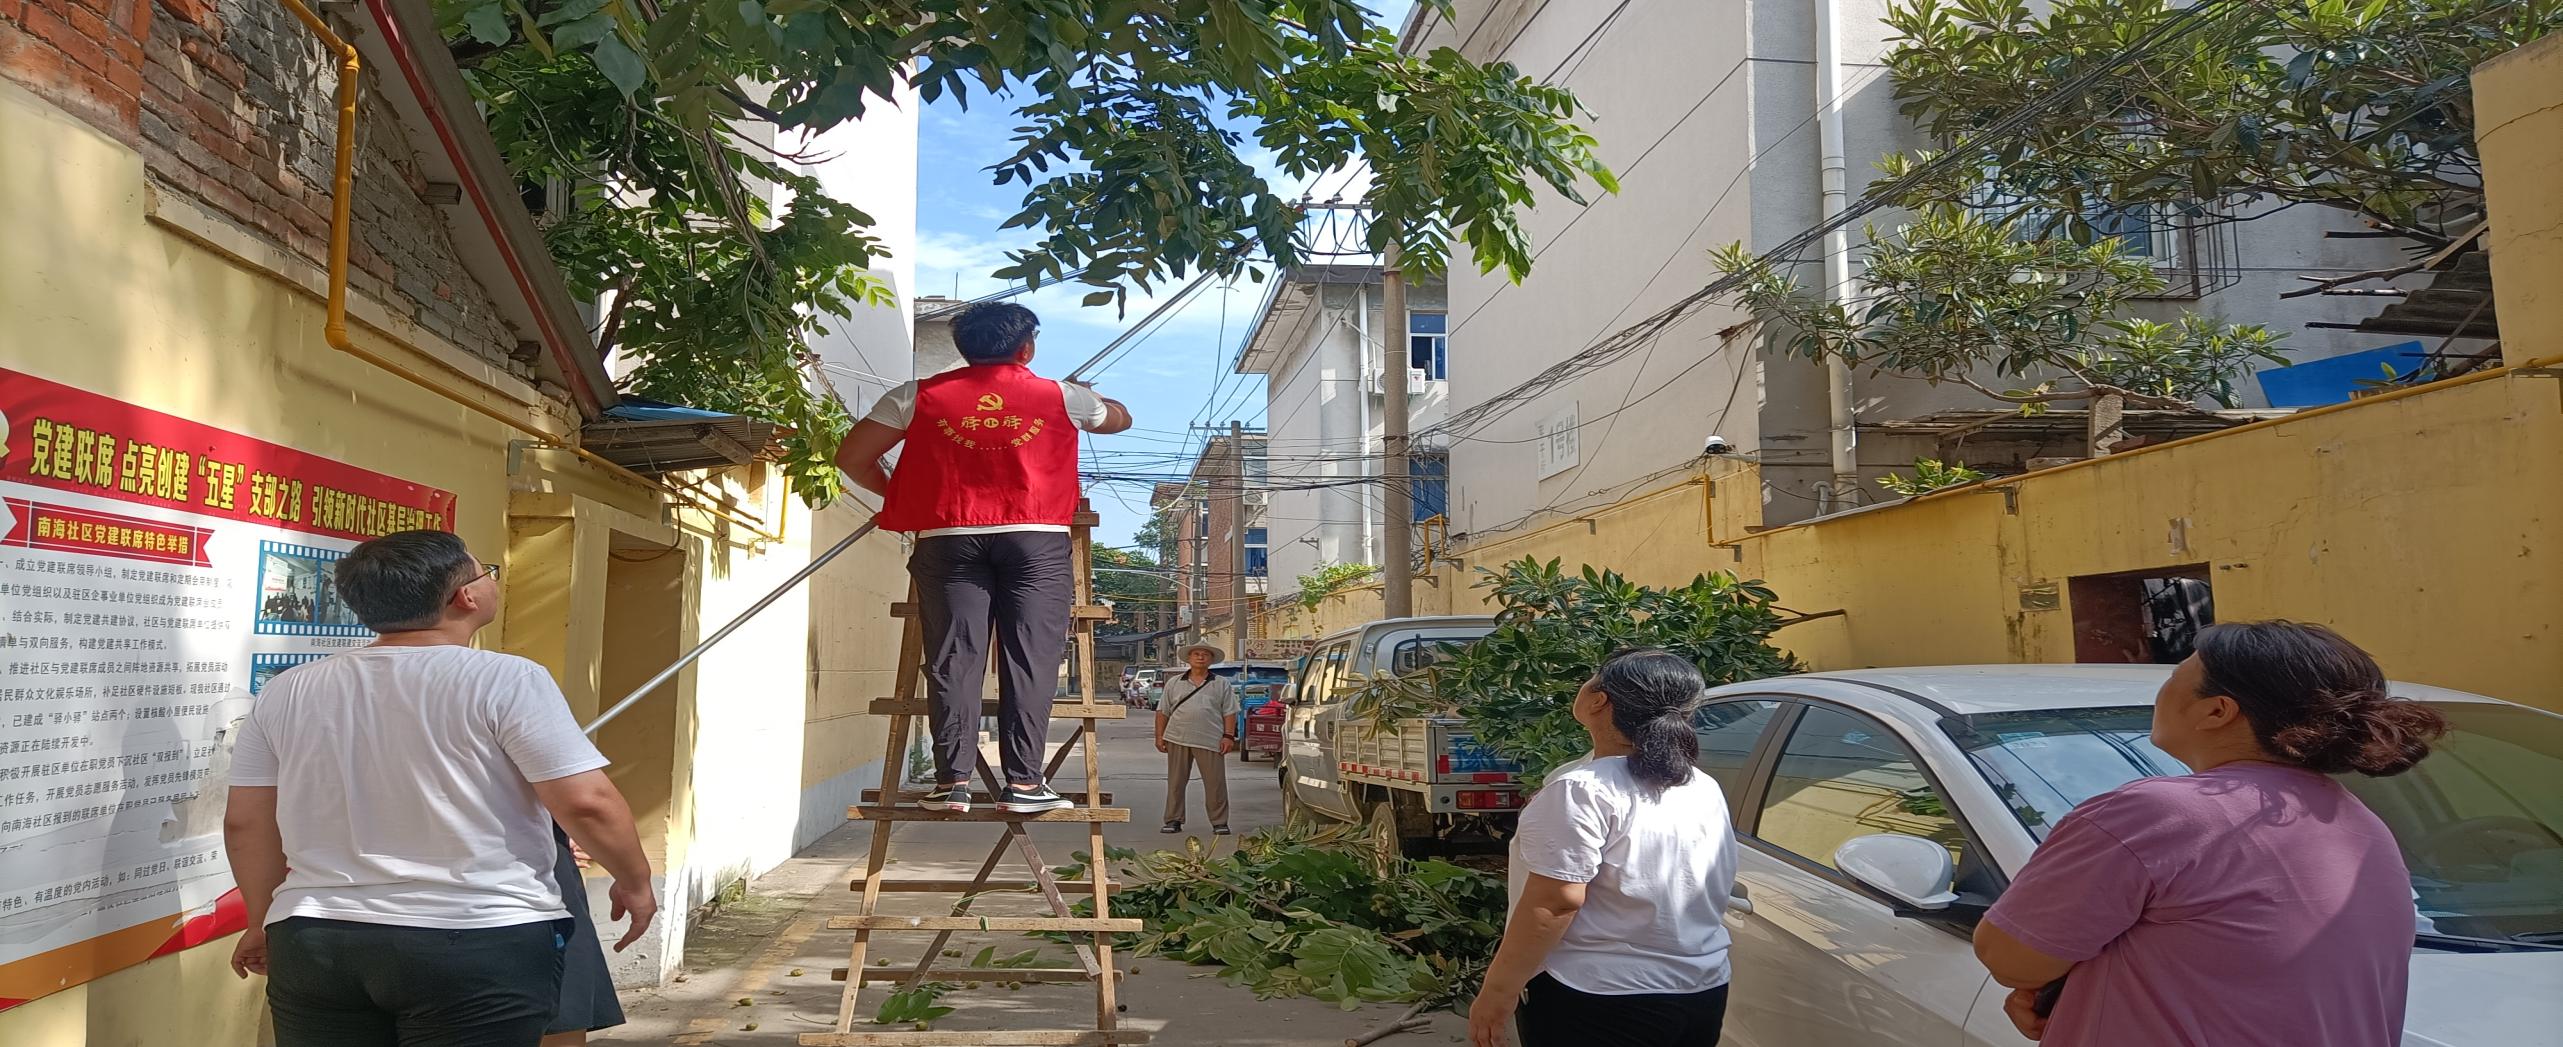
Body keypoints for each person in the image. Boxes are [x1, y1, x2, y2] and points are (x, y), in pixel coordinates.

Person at [223, 530, 657, 1047]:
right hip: (475, 937)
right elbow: (587, 801)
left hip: (318, 939)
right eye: (485, 571)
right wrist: (634, 880)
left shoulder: (288, 689)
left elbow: (245, 820)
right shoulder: (508, 680)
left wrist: (260, 918)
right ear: (465, 596)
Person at [1974, 620, 2448, 1047]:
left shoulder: (2156, 814)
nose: (2159, 695)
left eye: (2172, 680)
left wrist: (2052, 984)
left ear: (2217, 711)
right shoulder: (2363, 826)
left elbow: (2010, 958)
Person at [836, 302, 1133, 813]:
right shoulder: (1062, 397)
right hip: (1034, 537)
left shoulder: (916, 395)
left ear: (962, 347)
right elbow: (1121, 420)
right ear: (1027, 348)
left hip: (947, 537)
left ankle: (952, 782)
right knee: (1030, 657)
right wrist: (1090, 396)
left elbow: (852, 458)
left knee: (954, 657)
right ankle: (1023, 784)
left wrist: (900, 497)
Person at [1470, 649, 1738, 1047]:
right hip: (1701, 989)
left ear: (1598, 700)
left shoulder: (1581, 790)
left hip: (1598, 997)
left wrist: (1497, 992)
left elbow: (1556, 903)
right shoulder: (1700, 785)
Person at [542, 828, 624, 1046]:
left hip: (447, 906)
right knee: (560, 1015)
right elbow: (587, 802)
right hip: (537, 891)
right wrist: (632, 874)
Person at [1153, 643, 1239, 835]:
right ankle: (1173, 820)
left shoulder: (1221, 683)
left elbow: (1230, 712)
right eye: (1196, 654)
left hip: (1210, 739)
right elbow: (1162, 711)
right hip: (1177, 737)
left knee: (1215, 782)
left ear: (1210, 660)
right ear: (1189, 658)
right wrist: (1159, 736)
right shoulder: (1174, 683)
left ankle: (1219, 822)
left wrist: (1228, 736)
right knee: (1176, 781)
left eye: (1205, 655)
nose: (1200, 657)